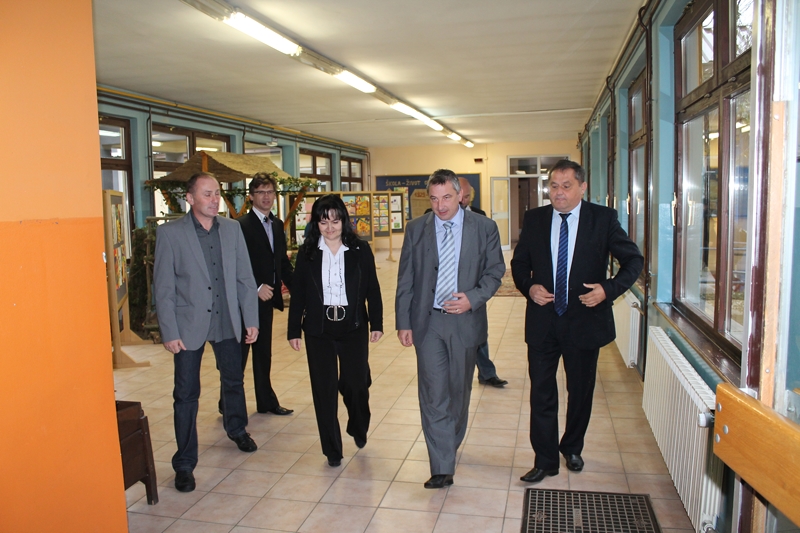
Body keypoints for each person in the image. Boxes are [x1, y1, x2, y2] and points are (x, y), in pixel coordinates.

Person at [511, 159, 643, 483]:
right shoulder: (535, 219)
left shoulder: (603, 219)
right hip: (543, 322)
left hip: (584, 321)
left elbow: (633, 260)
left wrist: (607, 290)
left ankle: (571, 446)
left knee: (580, 392)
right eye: (554, 186)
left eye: (566, 186)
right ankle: (545, 460)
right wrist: (530, 287)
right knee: (541, 393)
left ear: (582, 187)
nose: (558, 193)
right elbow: (519, 263)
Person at [396, 169, 505, 489]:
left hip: (464, 321)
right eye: (434, 199)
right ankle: (441, 465)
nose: (440, 205)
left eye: (446, 197)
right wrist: (403, 321)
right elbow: (406, 278)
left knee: (458, 391)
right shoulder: (416, 228)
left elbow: (495, 271)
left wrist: (473, 298)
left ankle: (449, 443)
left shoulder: (484, 227)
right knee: (433, 392)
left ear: (460, 195)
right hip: (427, 322)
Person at [154, 172, 260, 493]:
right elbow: (164, 288)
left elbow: (245, 278)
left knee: (233, 380)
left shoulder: (232, 229)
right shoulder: (170, 234)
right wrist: (169, 331)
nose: (215, 200)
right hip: (188, 326)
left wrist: (250, 319)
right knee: (186, 394)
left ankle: (237, 428)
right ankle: (184, 462)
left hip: (227, 320)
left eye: (217, 193)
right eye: (207, 194)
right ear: (190, 198)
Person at [287, 194, 383, 467]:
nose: (330, 227)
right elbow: (299, 294)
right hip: (319, 329)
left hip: (353, 326)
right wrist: (293, 330)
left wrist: (376, 323)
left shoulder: (360, 250)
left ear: (344, 221)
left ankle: (358, 424)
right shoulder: (307, 253)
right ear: (316, 224)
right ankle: (332, 449)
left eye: (335, 221)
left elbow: (372, 289)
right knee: (324, 390)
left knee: (356, 384)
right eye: (323, 221)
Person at [228, 173, 294, 416]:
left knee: (263, 353)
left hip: (267, 302)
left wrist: (300, 290)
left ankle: (266, 401)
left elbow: (282, 264)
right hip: (244, 302)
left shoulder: (276, 224)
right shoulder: (239, 226)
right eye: (260, 192)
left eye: (270, 192)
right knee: (240, 356)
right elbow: (233, 264)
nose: (266, 197)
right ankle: (228, 403)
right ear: (251, 196)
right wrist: (256, 287)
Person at [457, 177, 507, 388]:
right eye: (460, 196)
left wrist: (480, 290)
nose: (463, 200)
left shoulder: (481, 217)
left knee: (479, 335)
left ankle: (486, 373)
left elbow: (489, 258)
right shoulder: (432, 217)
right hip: (446, 291)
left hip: (474, 290)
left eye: (467, 196)